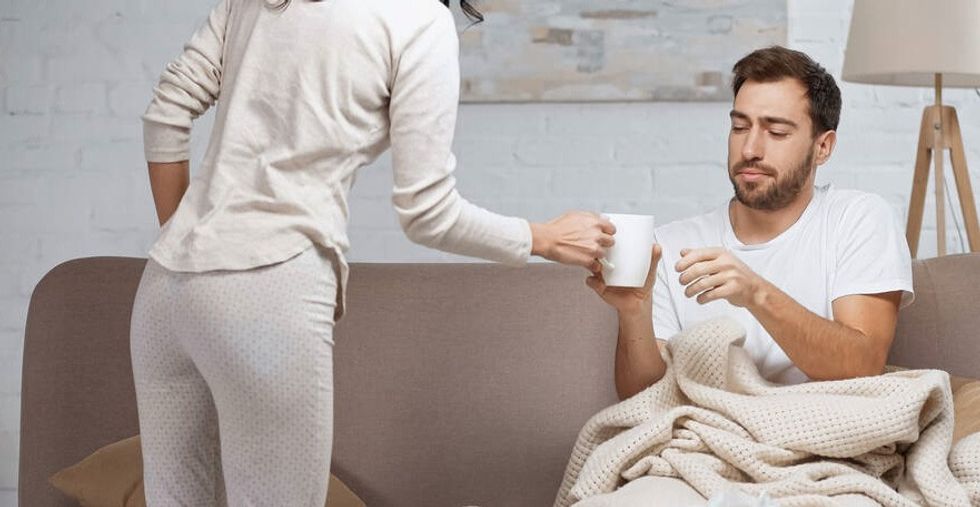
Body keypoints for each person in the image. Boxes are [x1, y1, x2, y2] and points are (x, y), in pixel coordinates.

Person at [129, 0, 614, 505]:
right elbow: (428, 213)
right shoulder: (417, 20)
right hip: (266, 287)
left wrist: (194, 240)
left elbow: (166, 111)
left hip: (164, 288)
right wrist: (543, 238)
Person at [588, 45, 914, 398]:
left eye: (777, 132)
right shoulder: (668, 246)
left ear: (823, 147)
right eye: (740, 127)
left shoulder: (857, 219)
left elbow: (863, 363)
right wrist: (634, 314)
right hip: (709, 427)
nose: (749, 150)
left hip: (823, 424)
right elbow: (642, 399)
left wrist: (756, 294)